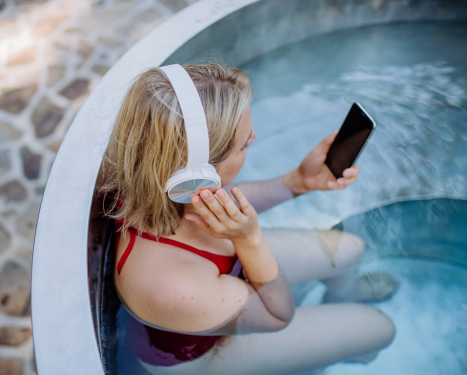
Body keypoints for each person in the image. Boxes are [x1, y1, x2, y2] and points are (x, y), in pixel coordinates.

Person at [99, 60, 398, 375]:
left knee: (351, 249)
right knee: (381, 328)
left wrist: (297, 181)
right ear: (197, 177)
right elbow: (278, 316)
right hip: (204, 357)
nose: (253, 137)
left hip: (220, 278)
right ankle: (342, 353)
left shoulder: (153, 176)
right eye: (242, 145)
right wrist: (249, 239)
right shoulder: (174, 284)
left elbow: (227, 199)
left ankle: (343, 297)